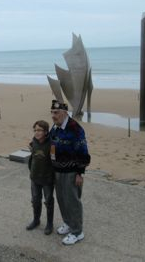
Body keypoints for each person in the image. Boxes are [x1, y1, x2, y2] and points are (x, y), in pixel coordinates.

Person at [49, 100, 90, 245]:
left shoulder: (75, 128)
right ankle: (68, 223)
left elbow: (83, 152)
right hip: (57, 171)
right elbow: (50, 144)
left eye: (56, 113)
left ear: (65, 113)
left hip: (72, 172)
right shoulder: (55, 127)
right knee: (62, 199)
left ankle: (77, 232)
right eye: (52, 112)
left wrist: (80, 173)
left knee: (73, 201)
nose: (53, 116)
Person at [26, 120, 55, 235]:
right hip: (34, 178)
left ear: (46, 132)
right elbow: (32, 158)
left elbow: (54, 161)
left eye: (39, 130)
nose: (37, 133)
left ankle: (49, 224)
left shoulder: (52, 144)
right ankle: (36, 220)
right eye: (35, 130)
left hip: (47, 179)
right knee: (35, 200)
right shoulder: (33, 142)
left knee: (48, 201)